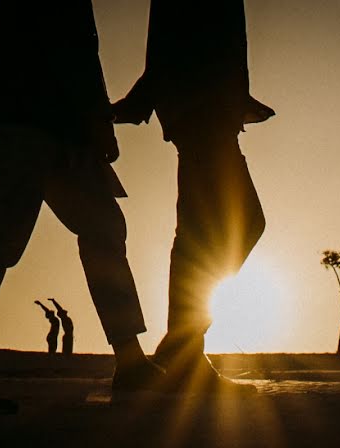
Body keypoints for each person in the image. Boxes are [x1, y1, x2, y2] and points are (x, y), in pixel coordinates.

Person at [0, 1, 166, 414]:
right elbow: (69, 50)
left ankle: (130, 359)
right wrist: (93, 124)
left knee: (102, 227)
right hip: (34, 124)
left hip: (51, 126)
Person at [112, 0, 275, 393]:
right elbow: (167, 46)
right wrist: (138, 102)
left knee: (207, 231)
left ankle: (183, 347)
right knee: (220, 229)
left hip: (210, 113)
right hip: (203, 114)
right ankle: (183, 349)